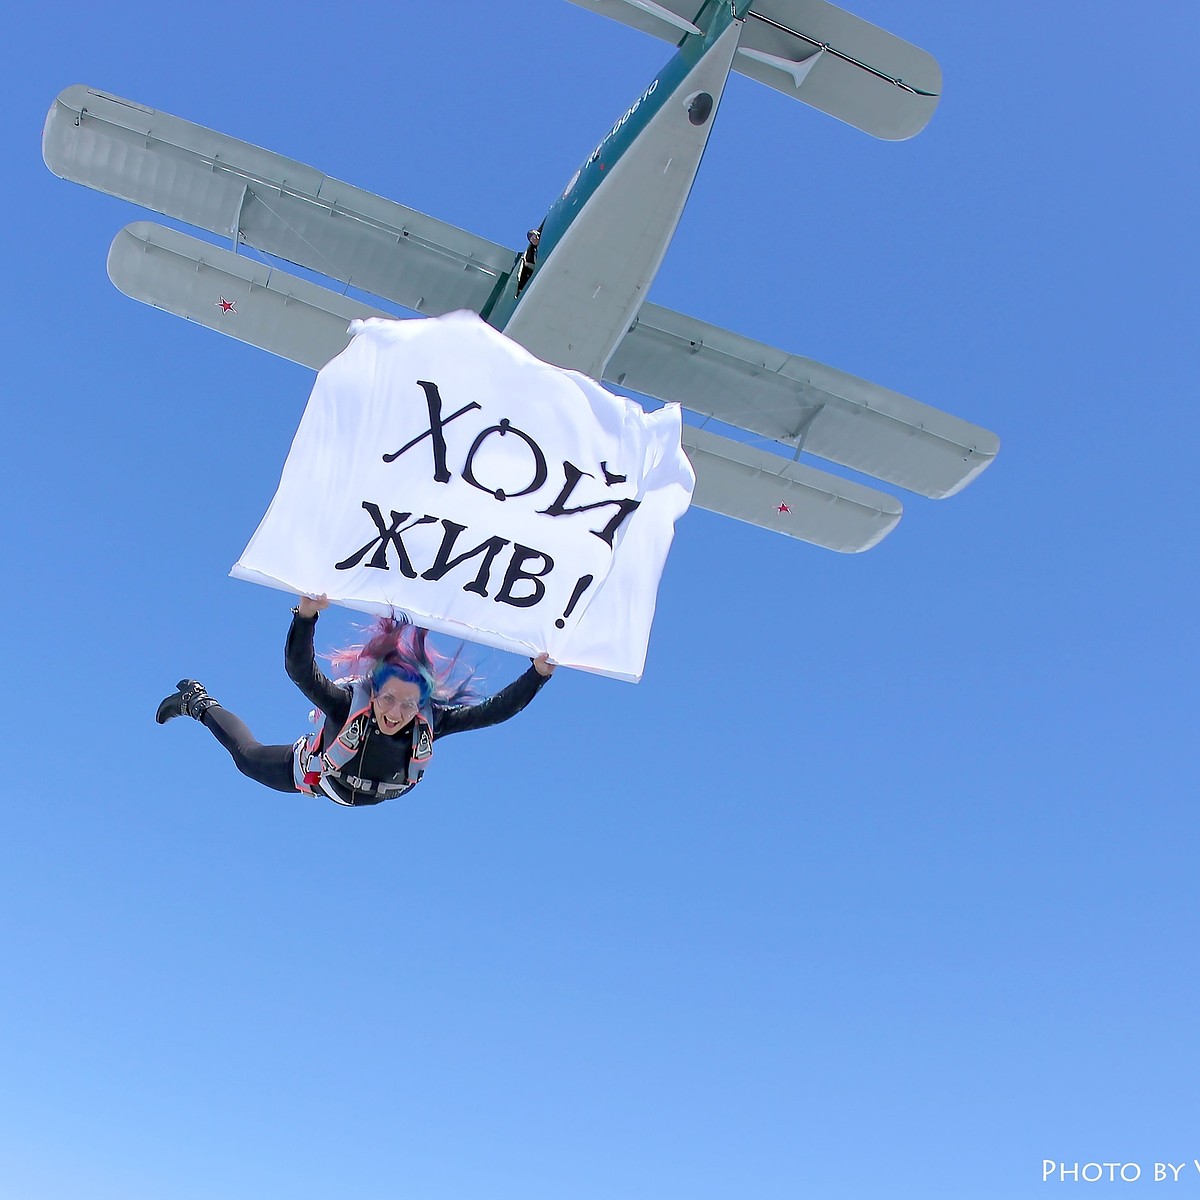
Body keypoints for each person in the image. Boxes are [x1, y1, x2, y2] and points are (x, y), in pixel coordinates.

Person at [155, 595, 555, 806]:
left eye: (408, 705)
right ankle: (198, 702)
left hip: (378, 791)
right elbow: (300, 670)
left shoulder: (431, 722)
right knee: (246, 757)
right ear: (374, 692)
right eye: (389, 699)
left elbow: (497, 711)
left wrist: (538, 674)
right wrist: (306, 616)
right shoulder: (346, 704)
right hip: (316, 775)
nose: (396, 713)